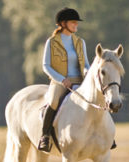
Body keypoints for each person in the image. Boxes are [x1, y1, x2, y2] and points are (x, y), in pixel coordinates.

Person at [37, 7, 90, 152]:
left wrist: (87, 72)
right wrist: (61, 79)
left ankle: (106, 136)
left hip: (80, 80)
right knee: (53, 101)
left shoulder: (80, 42)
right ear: (63, 23)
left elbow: (86, 64)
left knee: (98, 98)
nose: (76, 25)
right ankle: (45, 136)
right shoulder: (52, 42)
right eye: (73, 22)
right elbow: (45, 66)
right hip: (60, 81)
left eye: (76, 23)